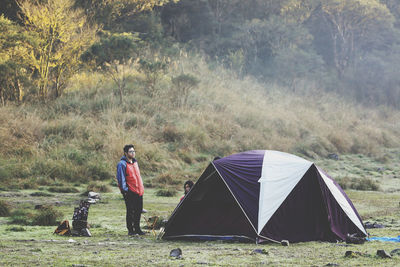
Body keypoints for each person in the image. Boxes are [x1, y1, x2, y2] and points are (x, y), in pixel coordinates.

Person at [116, 144, 145, 235]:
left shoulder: (135, 162)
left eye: (133, 151)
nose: (133, 153)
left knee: (138, 211)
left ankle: (137, 229)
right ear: (125, 153)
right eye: (130, 151)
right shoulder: (122, 164)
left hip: (139, 191)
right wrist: (125, 190)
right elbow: (121, 178)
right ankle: (131, 230)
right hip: (130, 191)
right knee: (130, 211)